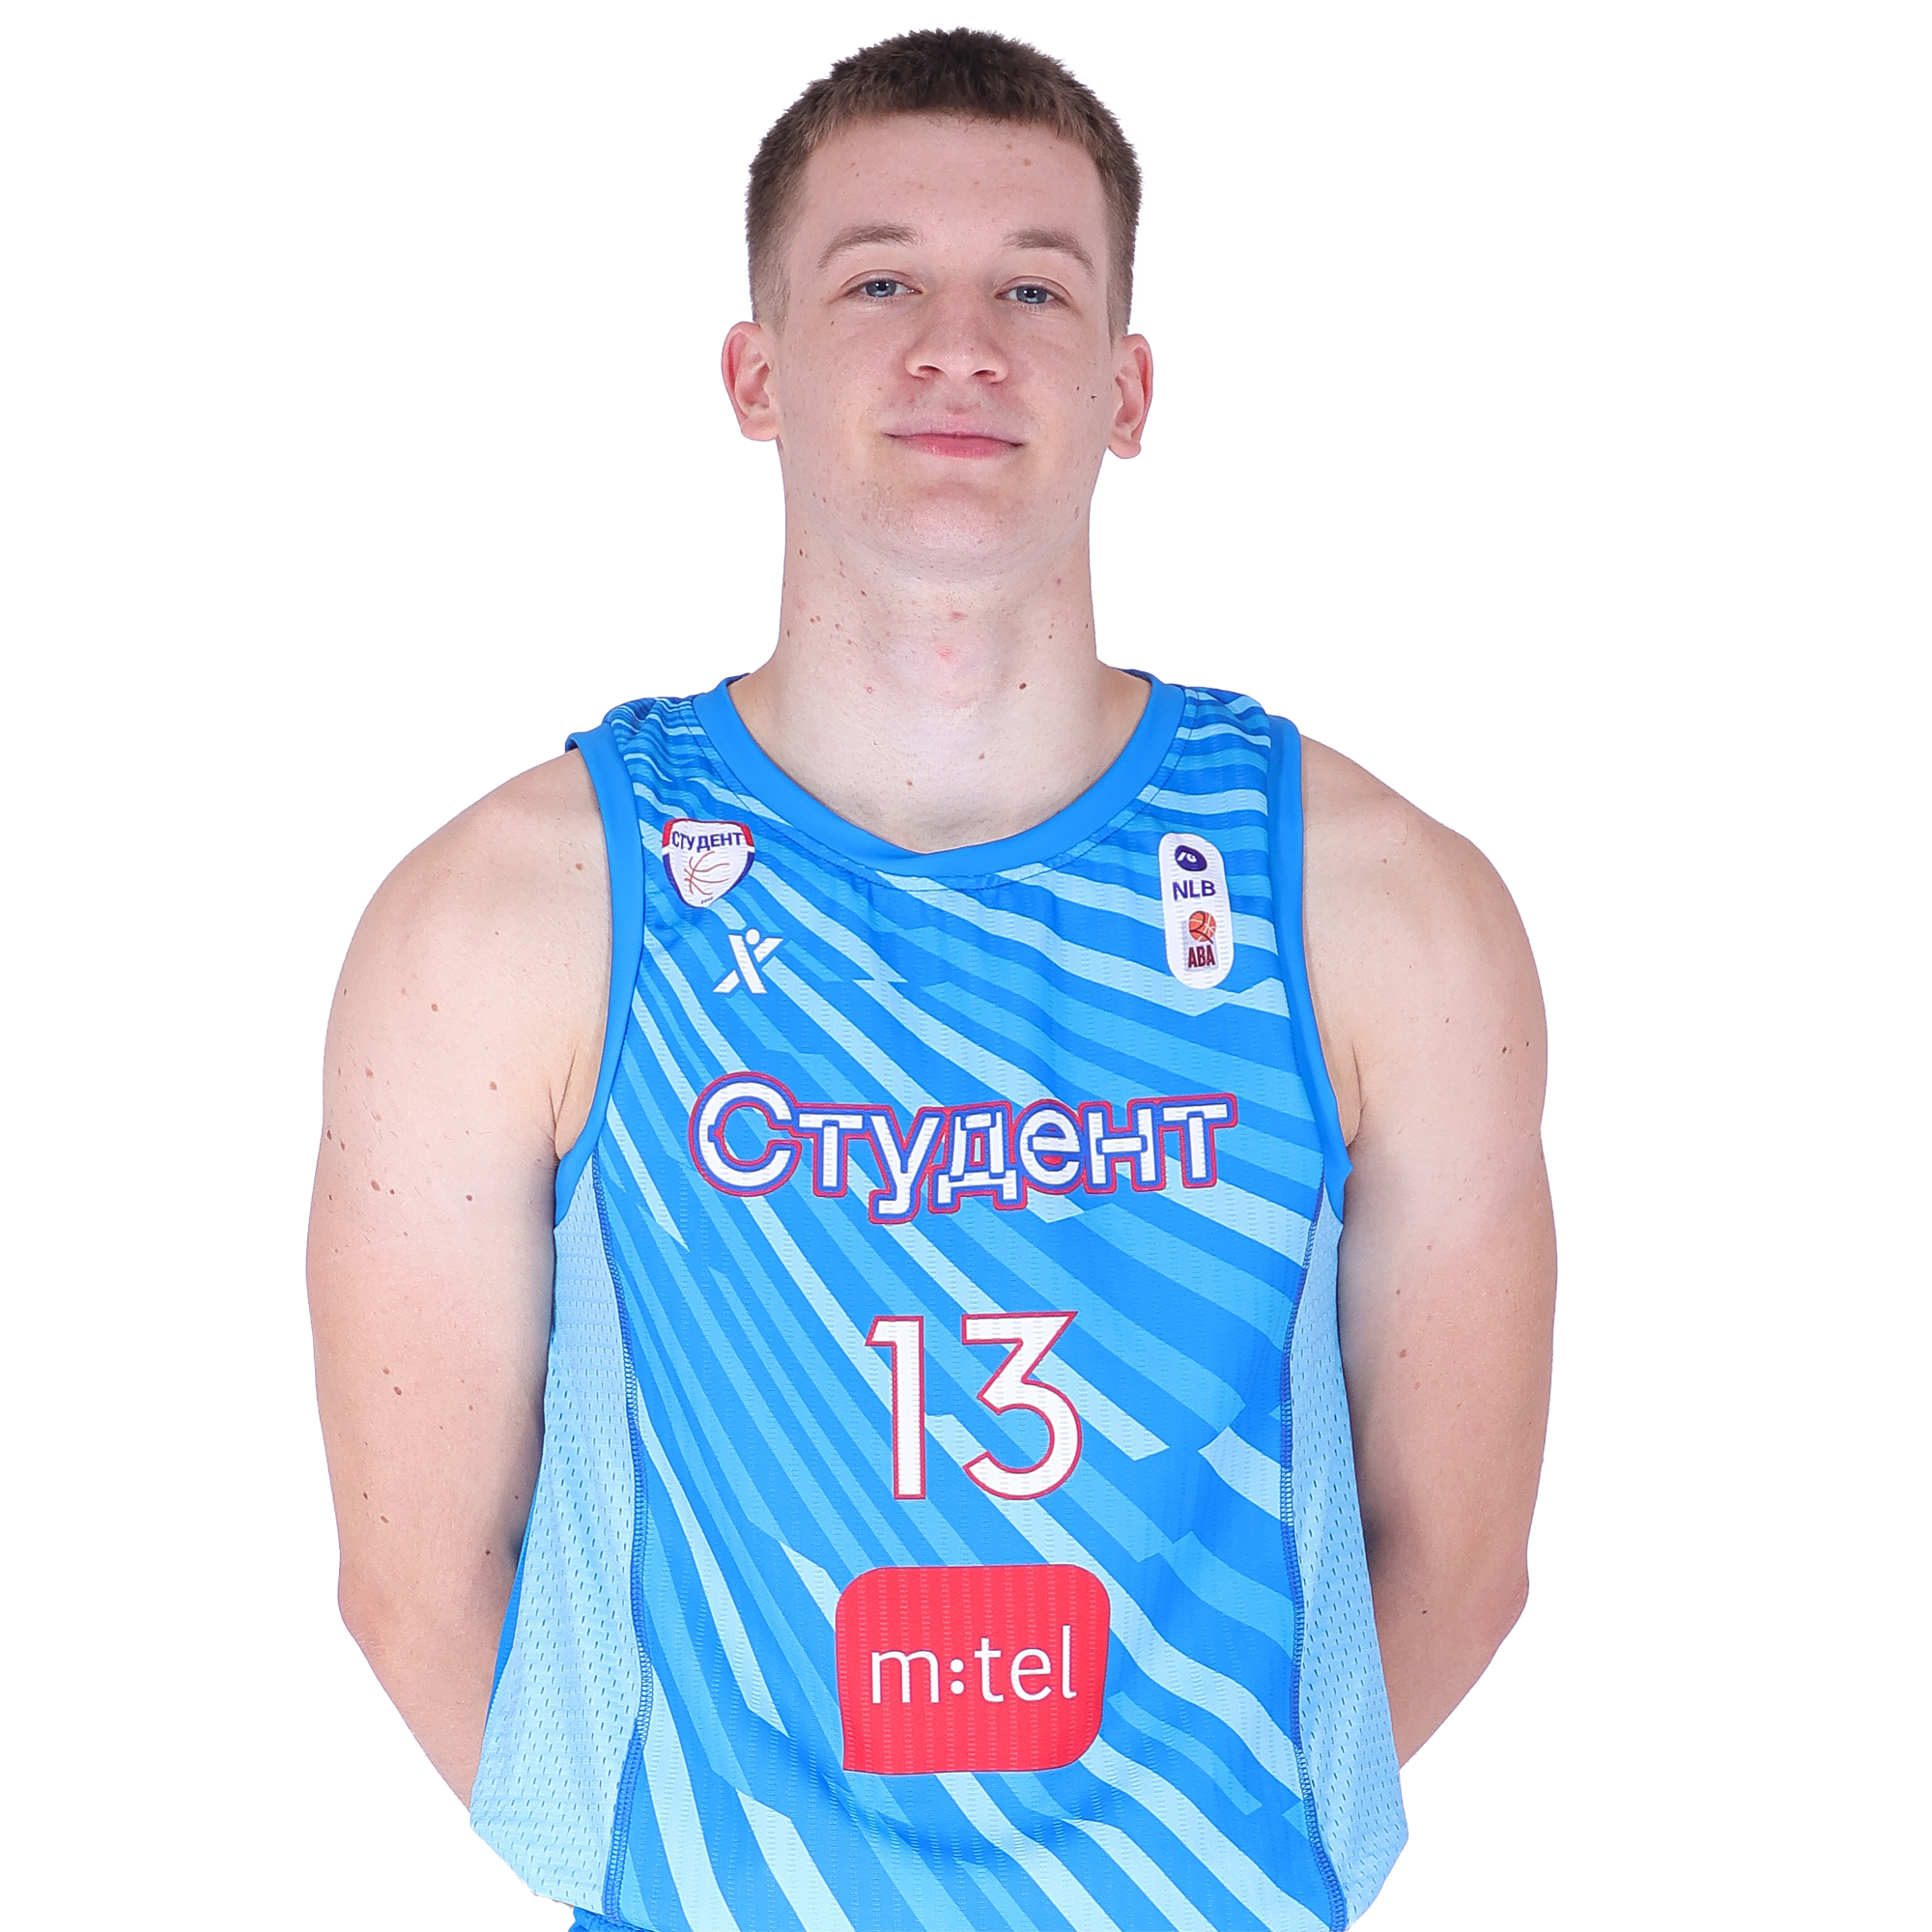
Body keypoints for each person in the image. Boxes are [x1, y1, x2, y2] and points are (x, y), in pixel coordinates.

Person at [309, 26, 1554, 1931]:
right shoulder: (505, 915)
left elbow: (1456, 1561)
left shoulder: (1378, 904)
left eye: (1033, 289)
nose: (959, 345)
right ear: (756, 373)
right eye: (879, 281)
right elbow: (415, 1582)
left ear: (1127, 389)